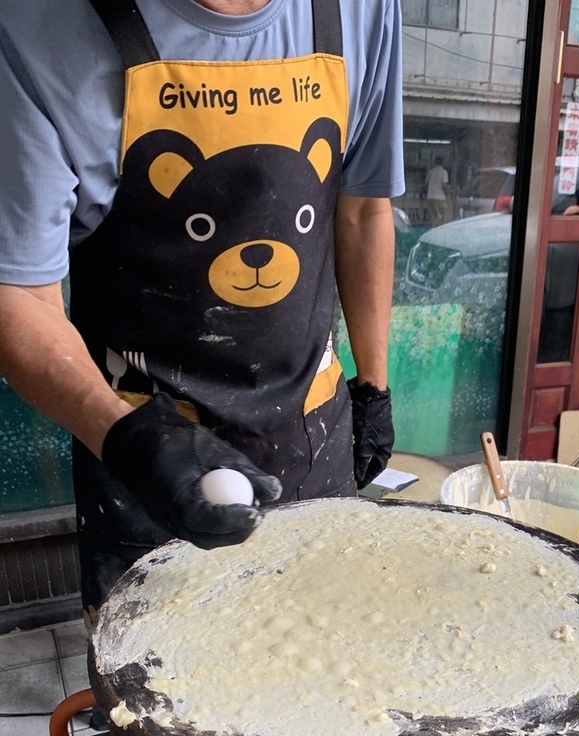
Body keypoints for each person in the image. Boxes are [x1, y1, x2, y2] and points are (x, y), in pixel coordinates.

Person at [0, 0, 405, 618]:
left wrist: (373, 387)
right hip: (143, 455)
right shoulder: (36, 30)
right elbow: (19, 295)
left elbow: (362, 208)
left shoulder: (365, 11)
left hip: (314, 436)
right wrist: (128, 440)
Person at [425, 156, 450, 226]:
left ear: (435, 162)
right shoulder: (444, 172)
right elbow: (444, 185)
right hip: (440, 198)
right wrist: (447, 192)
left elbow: (426, 184)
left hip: (430, 197)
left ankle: (432, 230)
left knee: (433, 217)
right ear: (443, 163)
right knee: (444, 216)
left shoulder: (431, 172)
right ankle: (441, 231)